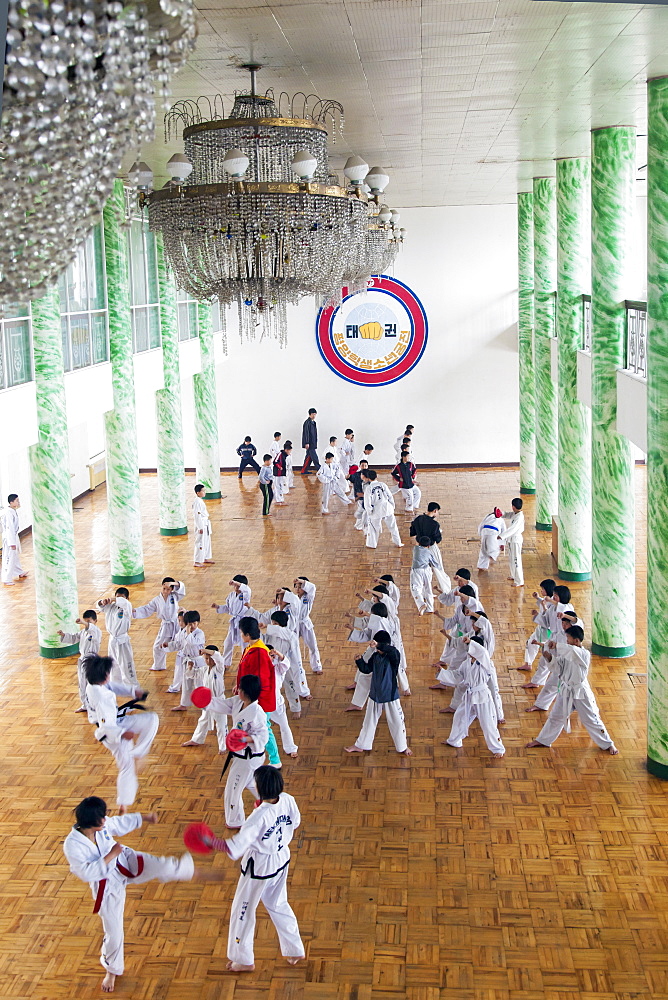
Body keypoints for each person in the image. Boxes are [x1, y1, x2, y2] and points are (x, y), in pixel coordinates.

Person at [63, 796, 197, 994]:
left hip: (124, 860)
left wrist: (145, 818)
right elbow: (86, 873)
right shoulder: (72, 845)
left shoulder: (102, 824)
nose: (106, 818)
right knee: (114, 932)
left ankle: (186, 870)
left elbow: (119, 822)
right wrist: (111, 855)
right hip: (106, 886)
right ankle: (111, 970)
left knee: (159, 863)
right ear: (92, 821)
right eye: (102, 816)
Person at [204, 765, 305, 972]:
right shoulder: (287, 799)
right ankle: (294, 949)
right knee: (278, 904)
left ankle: (243, 959)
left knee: (243, 911)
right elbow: (294, 823)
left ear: (259, 788)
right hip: (281, 859)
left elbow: (235, 846)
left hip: (259, 868)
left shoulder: (258, 817)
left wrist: (210, 841)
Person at [525, 627, 618, 755]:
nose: (566, 640)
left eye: (568, 638)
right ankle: (543, 740)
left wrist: (557, 645)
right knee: (555, 717)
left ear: (576, 640)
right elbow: (559, 667)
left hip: (581, 692)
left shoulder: (583, 654)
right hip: (566, 690)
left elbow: (572, 651)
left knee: (591, 719)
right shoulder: (567, 653)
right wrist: (549, 658)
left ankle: (608, 744)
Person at [84, 655, 158, 810]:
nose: (109, 676)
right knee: (126, 766)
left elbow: (112, 686)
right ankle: (123, 803)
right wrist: (121, 734)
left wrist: (133, 691)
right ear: (104, 675)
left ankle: (139, 752)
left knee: (151, 719)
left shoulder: (94, 685)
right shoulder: (101, 698)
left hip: (118, 723)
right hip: (111, 733)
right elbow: (106, 725)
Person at [207, 674, 270, 827]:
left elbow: (263, 736)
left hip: (249, 757)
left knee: (233, 788)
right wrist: (206, 700)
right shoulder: (237, 702)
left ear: (244, 692)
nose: (236, 690)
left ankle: (235, 821)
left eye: (239, 688)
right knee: (251, 783)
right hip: (242, 756)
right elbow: (222, 705)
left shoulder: (257, 712)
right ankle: (272, 805)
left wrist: (243, 738)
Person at [345, 632, 412, 755]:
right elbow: (366, 669)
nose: (377, 648)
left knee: (397, 721)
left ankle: (403, 747)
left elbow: (393, 651)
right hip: (375, 694)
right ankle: (361, 745)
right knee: (368, 721)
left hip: (390, 695)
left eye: (378, 646)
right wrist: (359, 661)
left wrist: (380, 645)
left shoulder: (393, 656)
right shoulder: (375, 656)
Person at [443, 637, 505, 757]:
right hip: (470, 696)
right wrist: (442, 672)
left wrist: (471, 642)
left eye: (471, 646)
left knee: (487, 723)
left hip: (482, 697)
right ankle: (454, 740)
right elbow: (458, 675)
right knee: (459, 716)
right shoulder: (466, 663)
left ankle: (498, 749)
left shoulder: (485, 661)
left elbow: (482, 652)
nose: (469, 648)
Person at [237, 617, 282, 768]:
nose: (240, 635)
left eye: (242, 633)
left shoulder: (259, 653)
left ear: (248, 635)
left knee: (264, 727)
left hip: (259, 699)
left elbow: (260, 680)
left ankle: (275, 760)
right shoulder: (252, 648)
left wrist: (252, 698)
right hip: (252, 696)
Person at [133, 577, 186, 672]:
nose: (166, 591)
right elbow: (146, 609)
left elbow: (181, 589)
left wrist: (173, 583)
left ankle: (188, 663)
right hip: (166, 626)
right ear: (161, 587)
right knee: (158, 647)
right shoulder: (157, 600)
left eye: (168, 589)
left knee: (183, 643)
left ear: (172, 589)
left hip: (177, 624)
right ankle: (159, 665)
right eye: (164, 588)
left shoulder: (174, 596)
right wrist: (135, 611)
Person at [58, 609, 103, 719]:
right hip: (82, 660)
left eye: (89, 621)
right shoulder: (83, 632)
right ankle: (85, 704)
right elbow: (74, 638)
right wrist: (63, 634)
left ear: (95, 621)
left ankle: (95, 705)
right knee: (82, 683)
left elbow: (90, 628)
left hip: (92, 660)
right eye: (85, 621)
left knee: (91, 684)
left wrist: (83, 622)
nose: (86, 623)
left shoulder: (96, 631)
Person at [183, 645, 228, 751]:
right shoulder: (204, 670)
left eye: (208, 658)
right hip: (207, 701)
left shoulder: (219, 668)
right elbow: (191, 675)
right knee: (203, 720)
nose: (207, 661)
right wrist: (190, 667)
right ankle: (196, 739)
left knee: (221, 725)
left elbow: (219, 657)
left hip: (219, 701)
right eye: (205, 659)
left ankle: (223, 747)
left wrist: (205, 650)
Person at [165, 610, 206, 711]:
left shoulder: (199, 633)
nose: (192, 626)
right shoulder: (183, 632)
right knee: (186, 684)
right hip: (187, 662)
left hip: (198, 662)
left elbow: (192, 643)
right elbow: (179, 644)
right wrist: (169, 645)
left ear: (198, 623)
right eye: (189, 624)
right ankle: (183, 704)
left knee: (199, 684)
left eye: (194, 623)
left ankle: (205, 705)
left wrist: (188, 633)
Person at [97, 588, 137, 687]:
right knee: (113, 663)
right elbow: (100, 607)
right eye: (117, 597)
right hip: (112, 640)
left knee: (126, 663)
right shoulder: (111, 606)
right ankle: (116, 683)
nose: (119, 599)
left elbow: (123, 603)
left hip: (122, 640)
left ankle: (131, 685)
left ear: (127, 598)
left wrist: (114, 599)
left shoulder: (127, 607)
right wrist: (102, 602)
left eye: (122, 597)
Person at [516, 579, 556, 672]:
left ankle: (547, 667)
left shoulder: (552, 604)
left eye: (542, 589)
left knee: (540, 648)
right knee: (530, 643)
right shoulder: (547, 600)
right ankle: (528, 663)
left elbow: (548, 620)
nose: (541, 591)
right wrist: (538, 598)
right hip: (541, 629)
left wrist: (537, 615)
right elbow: (543, 604)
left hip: (545, 631)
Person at [212, 575, 252, 667]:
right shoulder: (231, 595)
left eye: (238, 586)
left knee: (244, 644)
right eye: (235, 586)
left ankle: (247, 663)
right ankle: (225, 663)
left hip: (243, 622)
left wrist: (236, 583)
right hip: (234, 622)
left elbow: (247, 590)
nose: (236, 588)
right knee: (228, 642)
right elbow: (227, 608)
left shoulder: (245, 595)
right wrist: (218, 607)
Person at [409, 502, 450, 591]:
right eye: (437, 512)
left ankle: (422, 591)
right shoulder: (434, 524)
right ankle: (445, 589)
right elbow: (438, 539)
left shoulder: (418, 519)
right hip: (431, 547)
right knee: (438, 567)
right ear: (435, 510)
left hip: (419, 548)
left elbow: (412, 532)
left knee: (422, 569)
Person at [361, 469, 403, 549]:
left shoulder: (369, 488)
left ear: (368, 478)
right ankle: (398, 543)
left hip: (376, 510)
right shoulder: (382, 484)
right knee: (393, 526)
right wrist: (392, 506)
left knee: (373, 528)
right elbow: (390, 495)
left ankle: (372, 544)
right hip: (387, 507)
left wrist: (369, 512)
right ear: (376, 476)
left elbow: (367, 502)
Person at [294, 577, 323, 674]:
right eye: (296, 587)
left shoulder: (309, 597)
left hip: (305, 623)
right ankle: (295, 667)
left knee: (313, 645)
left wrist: (301, 581)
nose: (298, 589)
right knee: (293, 646)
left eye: (300, 587)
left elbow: (313, 587)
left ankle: (317, 666)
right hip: (295, 624)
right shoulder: (293, 599)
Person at [1, 493, 26, 585]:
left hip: (12, 536)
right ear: (11, 502)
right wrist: (12, 543)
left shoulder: (12, 510)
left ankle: (19, 572)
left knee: (14, 556)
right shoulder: (8, 512)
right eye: (17, 501)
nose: (18, 502)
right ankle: (6, 578)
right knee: (9, 557)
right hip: (9, 538)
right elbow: (9, 528)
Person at [410, 536, 439, 614]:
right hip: (427, 571)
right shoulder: (429, 552)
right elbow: (435, 563)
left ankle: (421, 604)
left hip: (417, 571)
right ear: (429, 546)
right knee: (428, 588)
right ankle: (430, 608)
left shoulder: (415, 549)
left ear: (419, 543)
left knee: (416, 588)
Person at [500, 498, 525, 587]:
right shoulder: (516, 513)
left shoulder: (519, 517)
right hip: (511, 539)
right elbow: (508, 514)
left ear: (513, 507)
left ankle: (519, 581)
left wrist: (502, 536)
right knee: (511, 558)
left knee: (516, 559)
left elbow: (512, 529)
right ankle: (513, 575)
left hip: (515, 540)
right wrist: (501, 513)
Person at [476, 506, 505, 571]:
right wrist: (502, 544)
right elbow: (504, 532)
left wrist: (480, 534)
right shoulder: (501, 520)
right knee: (495, 548)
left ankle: (481, 565)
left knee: (483, 550)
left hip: (484, 532)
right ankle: (492, 556)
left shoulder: (488, 516)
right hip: (493, 533)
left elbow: (481, 525)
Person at [192, 484, 214, 567]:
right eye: (203, 491)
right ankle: (197, 561)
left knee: (206, 541)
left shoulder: (200, 501)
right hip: (201, 524)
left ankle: (205, 557)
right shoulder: (197, 502)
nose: (204, 492)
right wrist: (200, 527)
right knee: (200, 542)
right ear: (198, 493)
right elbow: (197, 516)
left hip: (206, 523)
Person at [348, 458, 369, 530]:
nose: (364, 467)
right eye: (362, 465)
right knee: (362, 510)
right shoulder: (356, 474)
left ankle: (360, 524)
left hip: (368, 496)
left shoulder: (370, 474)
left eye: (365, 465)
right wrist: (348, 476)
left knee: (364, 511)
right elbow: (350, 478)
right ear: (360, 466)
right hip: (359, 496)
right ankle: (359, 525)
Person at [301, 407, 320, 473]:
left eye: (315, 414)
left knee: (308, 457)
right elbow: (306, 433)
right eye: (313, 414)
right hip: (310, 443)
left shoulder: (313, 422)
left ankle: (304, 470)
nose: (314, 416)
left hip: (313, 443)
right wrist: (306, 443)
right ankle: (319, 469)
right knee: (314, 458)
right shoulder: (307, 423)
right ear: (310, 414)